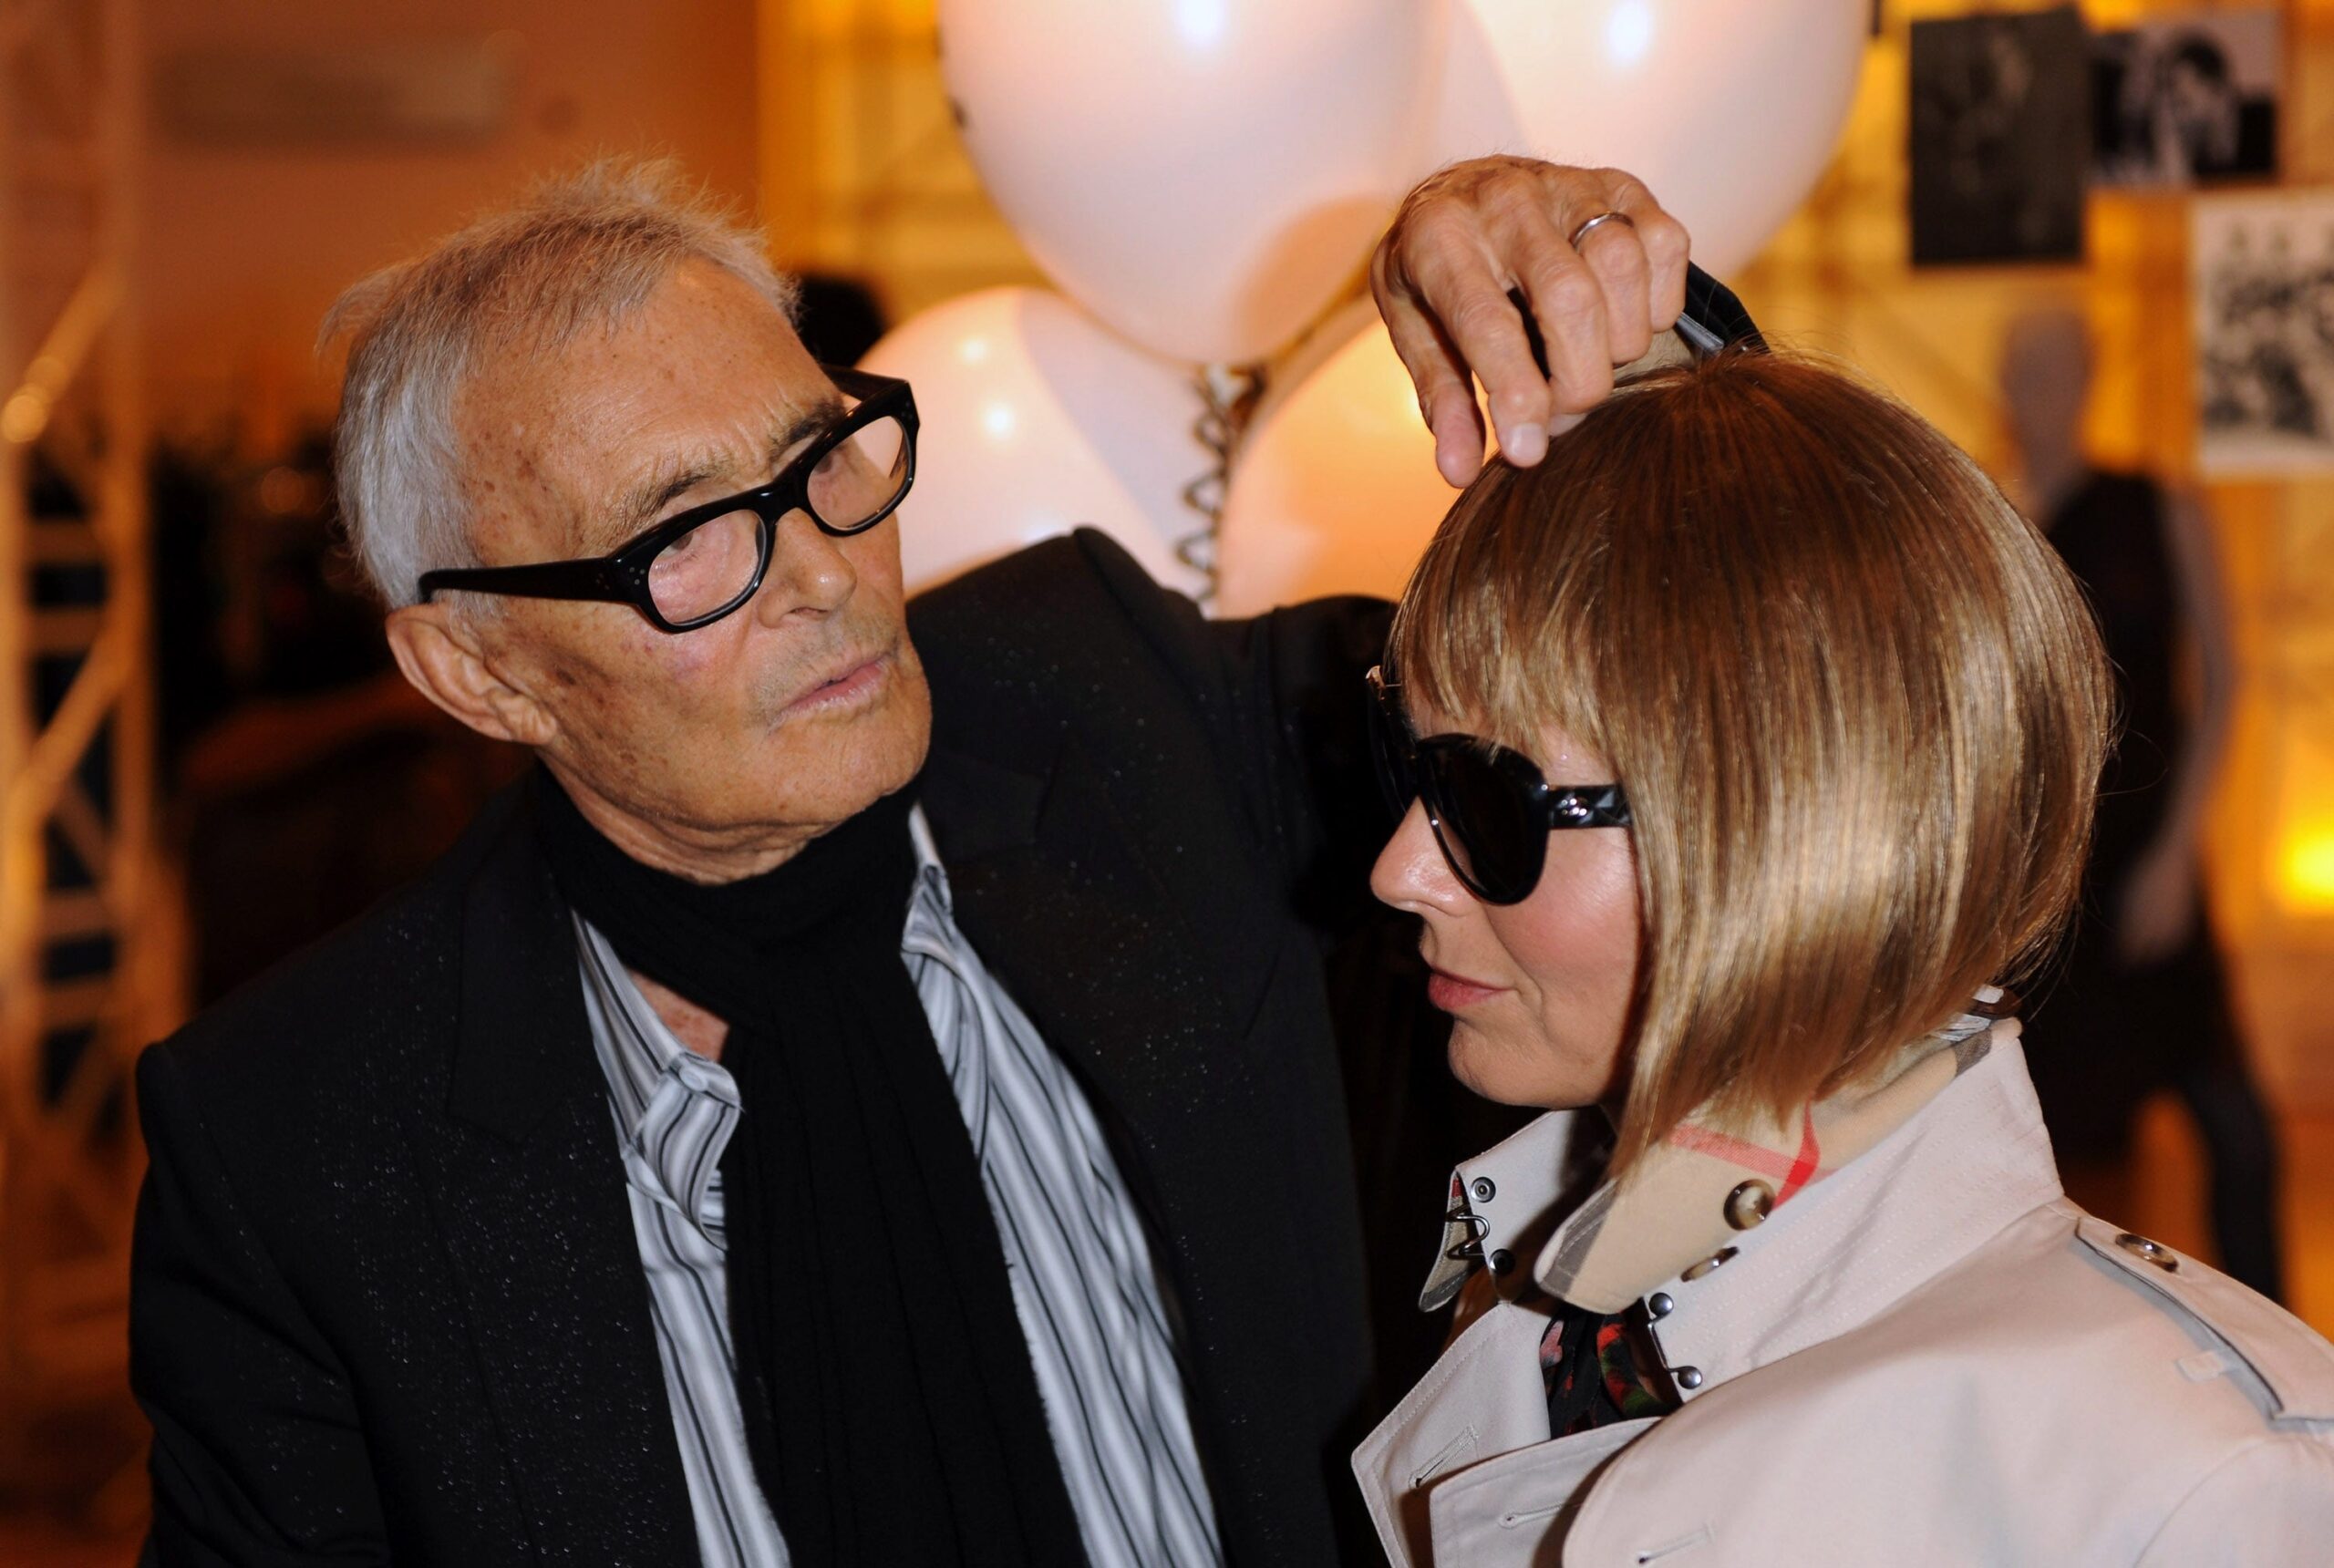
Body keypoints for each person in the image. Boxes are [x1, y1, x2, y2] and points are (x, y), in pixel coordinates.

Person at [127, 155, 1689, 1567]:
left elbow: (1665, 695)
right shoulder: (302, 1152)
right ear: (480, 671)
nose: (823, 575)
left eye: (821, 459)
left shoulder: (1126, 720)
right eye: (682, 540)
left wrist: (1618, 346)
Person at [1353, 346, 2334, 1565]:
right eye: (1405, 766)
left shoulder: (2185, 1492)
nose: (1399, 867)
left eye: (1483, 801)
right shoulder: (1549, 1305)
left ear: (1784, 830)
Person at [2003, 306, 2285, 1303]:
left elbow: (2227, 679)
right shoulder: (1995, 519)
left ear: (2088, 378)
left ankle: (2279, 1343)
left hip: (2149, 847)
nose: (2036, 391)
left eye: (2054, 367)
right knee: (2064, 1150)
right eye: (2021, 370)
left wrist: (2176, 850)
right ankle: (2086, 1352)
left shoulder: (2155, 504)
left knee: (2235, 1130)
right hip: (2046, 873)